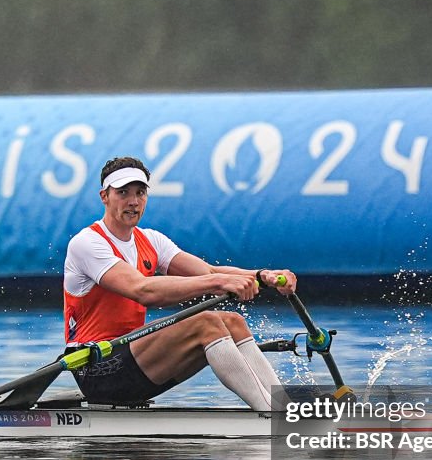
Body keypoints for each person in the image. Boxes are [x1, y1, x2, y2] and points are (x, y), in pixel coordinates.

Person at [63, 156, 297, 411]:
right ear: (104, 197)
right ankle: (271, 415)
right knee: (206, 323)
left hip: (130, 358)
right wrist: (217, 282)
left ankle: (282, 407)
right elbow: (142, 290)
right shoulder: (87, 243)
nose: (133, 201)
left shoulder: (151, 240)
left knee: (233, 321)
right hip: (95, 368)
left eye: (140, 193)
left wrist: (262, 276)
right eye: (123, 192)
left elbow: (208, 271)